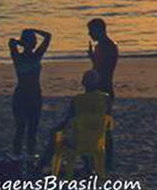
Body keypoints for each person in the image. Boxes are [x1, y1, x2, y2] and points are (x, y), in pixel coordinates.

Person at [37, 70, 113, 176]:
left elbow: (66, 121)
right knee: (84, 133)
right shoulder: (106, 99)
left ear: (83, 83)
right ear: (97, 82)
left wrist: (54, 129)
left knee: (57, 138)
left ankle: (40, 167)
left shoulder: (77, 100)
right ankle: (90, 167)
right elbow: (107, 120)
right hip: (98, 140)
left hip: (79, 141)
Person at [9, 28, 51, 158]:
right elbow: (11, 42)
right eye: (32, 41)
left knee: (31, 129)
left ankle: (30, 157)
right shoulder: (21, 56)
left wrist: (29, 33)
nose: (33, 43)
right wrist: (22, 41)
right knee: (21, 129)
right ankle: (17, 157)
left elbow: (49, 36)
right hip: (23, 95)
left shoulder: (35, 55)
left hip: (32, 95)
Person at [86, 18, 118, 169]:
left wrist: (94, 60)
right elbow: (100, 67)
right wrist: (93, 58)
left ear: (99, 30)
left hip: (103, 89)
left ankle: (106, 161)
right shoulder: (105, 46)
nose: (89, 34)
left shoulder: (108, 47)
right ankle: (100, 161)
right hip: (101, 87)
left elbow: (103, 70)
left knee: (103, 128)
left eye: (91, 31)